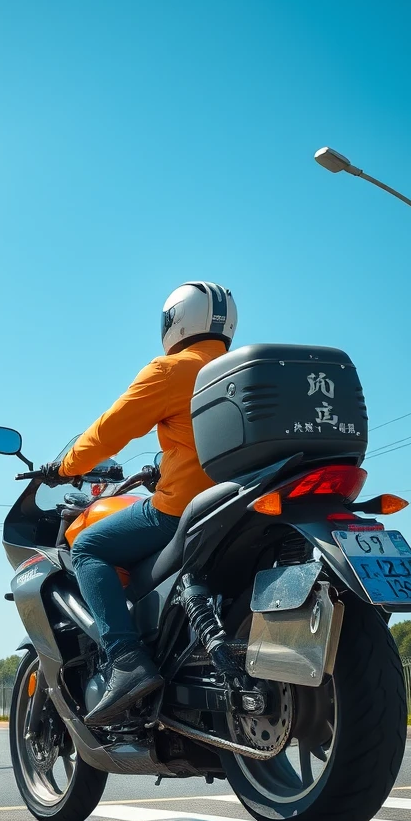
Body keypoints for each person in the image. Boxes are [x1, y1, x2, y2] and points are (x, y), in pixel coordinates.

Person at [38, 282, 238, 724]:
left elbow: (111, 429)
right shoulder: (239, 369)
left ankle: (126, 660)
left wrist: (65, 466)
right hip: (241, 501)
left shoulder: (172, 370)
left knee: (89, 547)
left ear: (174, 321)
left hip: (184, 509)